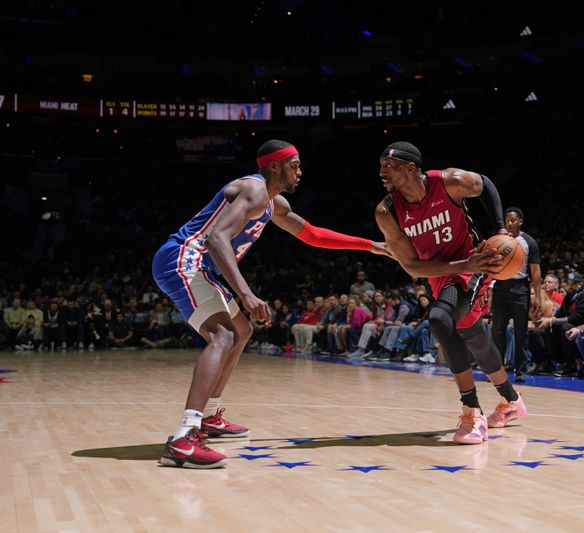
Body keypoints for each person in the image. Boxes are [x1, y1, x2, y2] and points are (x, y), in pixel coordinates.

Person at [152, 139, 390, 468]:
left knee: (241, 330)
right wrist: (247, 294)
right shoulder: (254, 189)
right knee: (222, 336)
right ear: (275, 167)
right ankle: (184, 437)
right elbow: (215, 238)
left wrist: (370, 246)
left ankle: (209, 417)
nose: (301, 172)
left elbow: (312, 234)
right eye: (295, 165)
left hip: (199, 266)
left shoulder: (272, 203)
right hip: (184, 261)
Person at [374, 141, 526, 445]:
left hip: (476, 264)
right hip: (442, 274)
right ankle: (512, 401)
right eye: (380, 166)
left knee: (440, 319)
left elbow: (485, 185)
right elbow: (414, 267)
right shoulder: (386, 212)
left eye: (387, 167)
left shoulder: (450, 182)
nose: (381, 173)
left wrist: (499, 230)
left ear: (411, 168)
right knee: (472, 334)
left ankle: (472, 412)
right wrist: (458, 264)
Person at [489, 207, 541, 378]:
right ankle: (498, 371)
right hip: (500, 286)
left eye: (513, 220)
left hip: (520, 288)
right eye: (507, 220)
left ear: (520, 221)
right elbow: (488, 266)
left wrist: (538, 296)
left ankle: (520, 370)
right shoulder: (498, 240)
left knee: (521, 331)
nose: (509, 223)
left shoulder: (529, 242)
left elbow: (535, 270)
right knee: (497, 331)